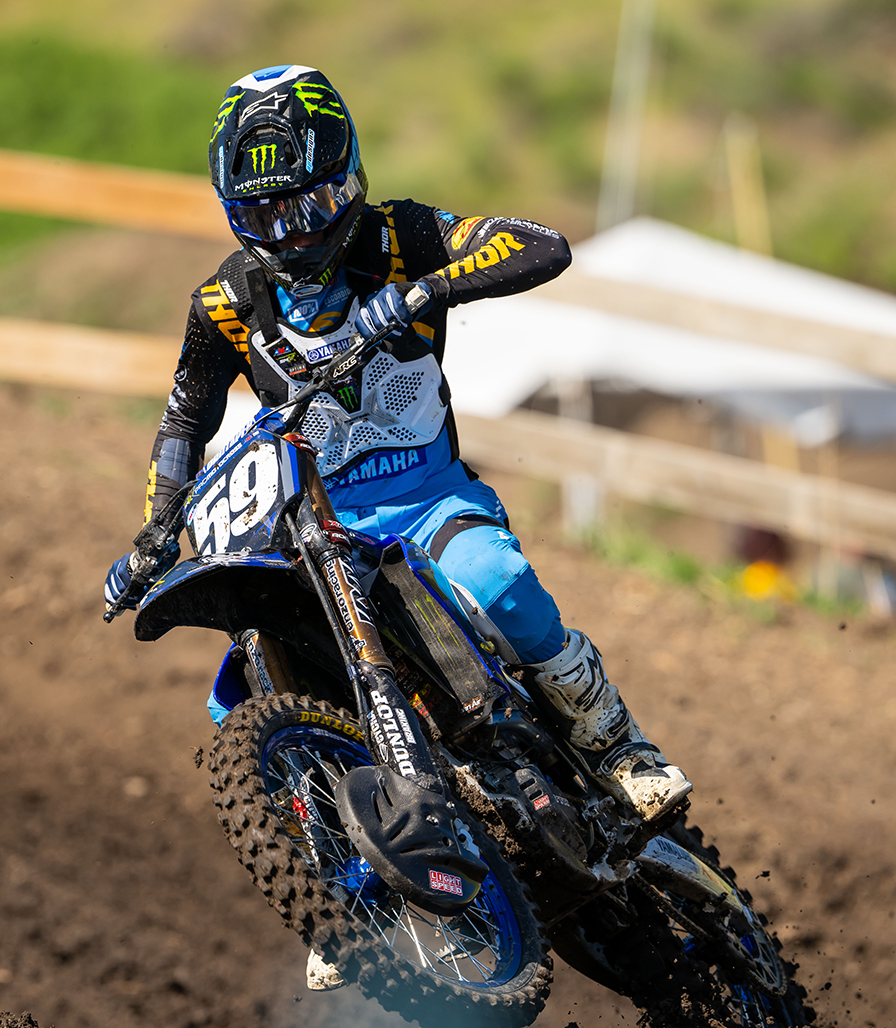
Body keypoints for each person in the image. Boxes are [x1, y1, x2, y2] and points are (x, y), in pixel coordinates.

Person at [105, 64, 690, 822]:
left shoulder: (400, 237)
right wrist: (154, 533)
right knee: (246, 689)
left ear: (347, 181)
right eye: (263, 215)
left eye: (308, 206)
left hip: (428, 498)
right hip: (312, 527)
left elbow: (540, 244)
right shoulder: (224, 304)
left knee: (498, 583)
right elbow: (186, 419)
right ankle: (331, 859)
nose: (291, 232)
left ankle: (617, 747)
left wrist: (426, 289)